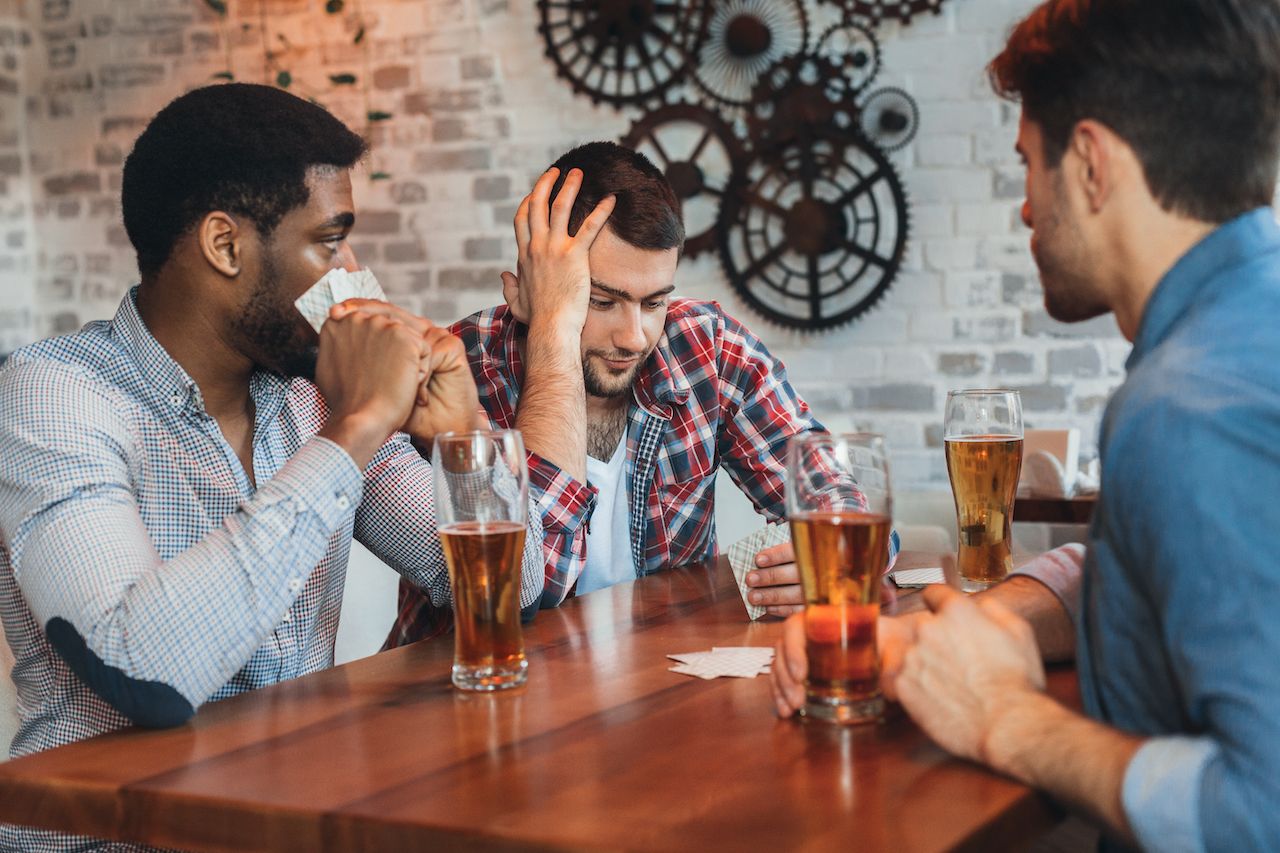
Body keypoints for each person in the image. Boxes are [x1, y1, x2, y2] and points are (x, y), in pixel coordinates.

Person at [772, 0, 1280, 849]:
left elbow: (1259, 812)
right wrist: (951, 629)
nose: (1024, 210)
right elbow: (1147, 569)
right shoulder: (1243, 333)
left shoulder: (1188, 409)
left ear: (1090, 163)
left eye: (1027, 167)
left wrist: (1005, 718)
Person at [0, 82, 550, 850]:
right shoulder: (54, 394)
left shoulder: (306, 396)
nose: (351, 273)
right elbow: (142, 671)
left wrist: (460, 436)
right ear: (226, 246)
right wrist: (359, 425)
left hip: (286, 823)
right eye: (330, 241)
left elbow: (511, 591)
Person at [386, 142, 887, 647]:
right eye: (600, 301)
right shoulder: (459, 368)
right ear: (524, 291)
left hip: (656, 688)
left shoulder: (705, 347)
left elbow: (836, 496)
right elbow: (526, 591)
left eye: (654, 302)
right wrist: (553, 335)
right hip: (471, 700)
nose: (634, 337)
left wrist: (841, 554)